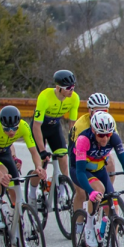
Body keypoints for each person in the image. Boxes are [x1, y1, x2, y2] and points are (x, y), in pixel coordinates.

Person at [71, 111, 124, 247]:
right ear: (93, 130)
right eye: (101, 135)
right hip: (81, 170)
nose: (104, 139)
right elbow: (80, 172)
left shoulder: (114, 138)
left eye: (108, 135)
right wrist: (90, 191)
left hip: (99, 170)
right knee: (99, 189)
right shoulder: (83, 140)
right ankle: (89, 227)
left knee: (113, 209)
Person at [0, 106, 47, 229]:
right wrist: (0, 176)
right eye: (6, 129)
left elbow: (34, 152)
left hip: (5, 152)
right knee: (2, 173)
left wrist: (39, 167)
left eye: (14, 128)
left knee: (16, 184)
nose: (11, 132)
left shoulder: (24, 126)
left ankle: (15, 222)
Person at [29, 70, 79, 206]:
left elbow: (72, 125)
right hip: (39, 128)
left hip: (54, 128)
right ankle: (32, 193)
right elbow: (36, 126)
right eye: (68, 88)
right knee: (41, 164)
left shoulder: (74, 98)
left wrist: (73, 144)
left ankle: (62, 191)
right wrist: (42, 150)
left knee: (63, 156)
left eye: (73, 87)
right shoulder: (45, 96)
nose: (71, 90)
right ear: (58, 88)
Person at [72, 92, 117, 178]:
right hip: (81, 150)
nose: (101, 114)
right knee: (80, 179)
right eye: (98, 111)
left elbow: (114, 142)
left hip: (98, 148)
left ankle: (108, 187)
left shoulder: (109, 121)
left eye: (104, 111)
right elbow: (78, 149)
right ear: (90, 111)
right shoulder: (81, 125)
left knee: (110, 161)